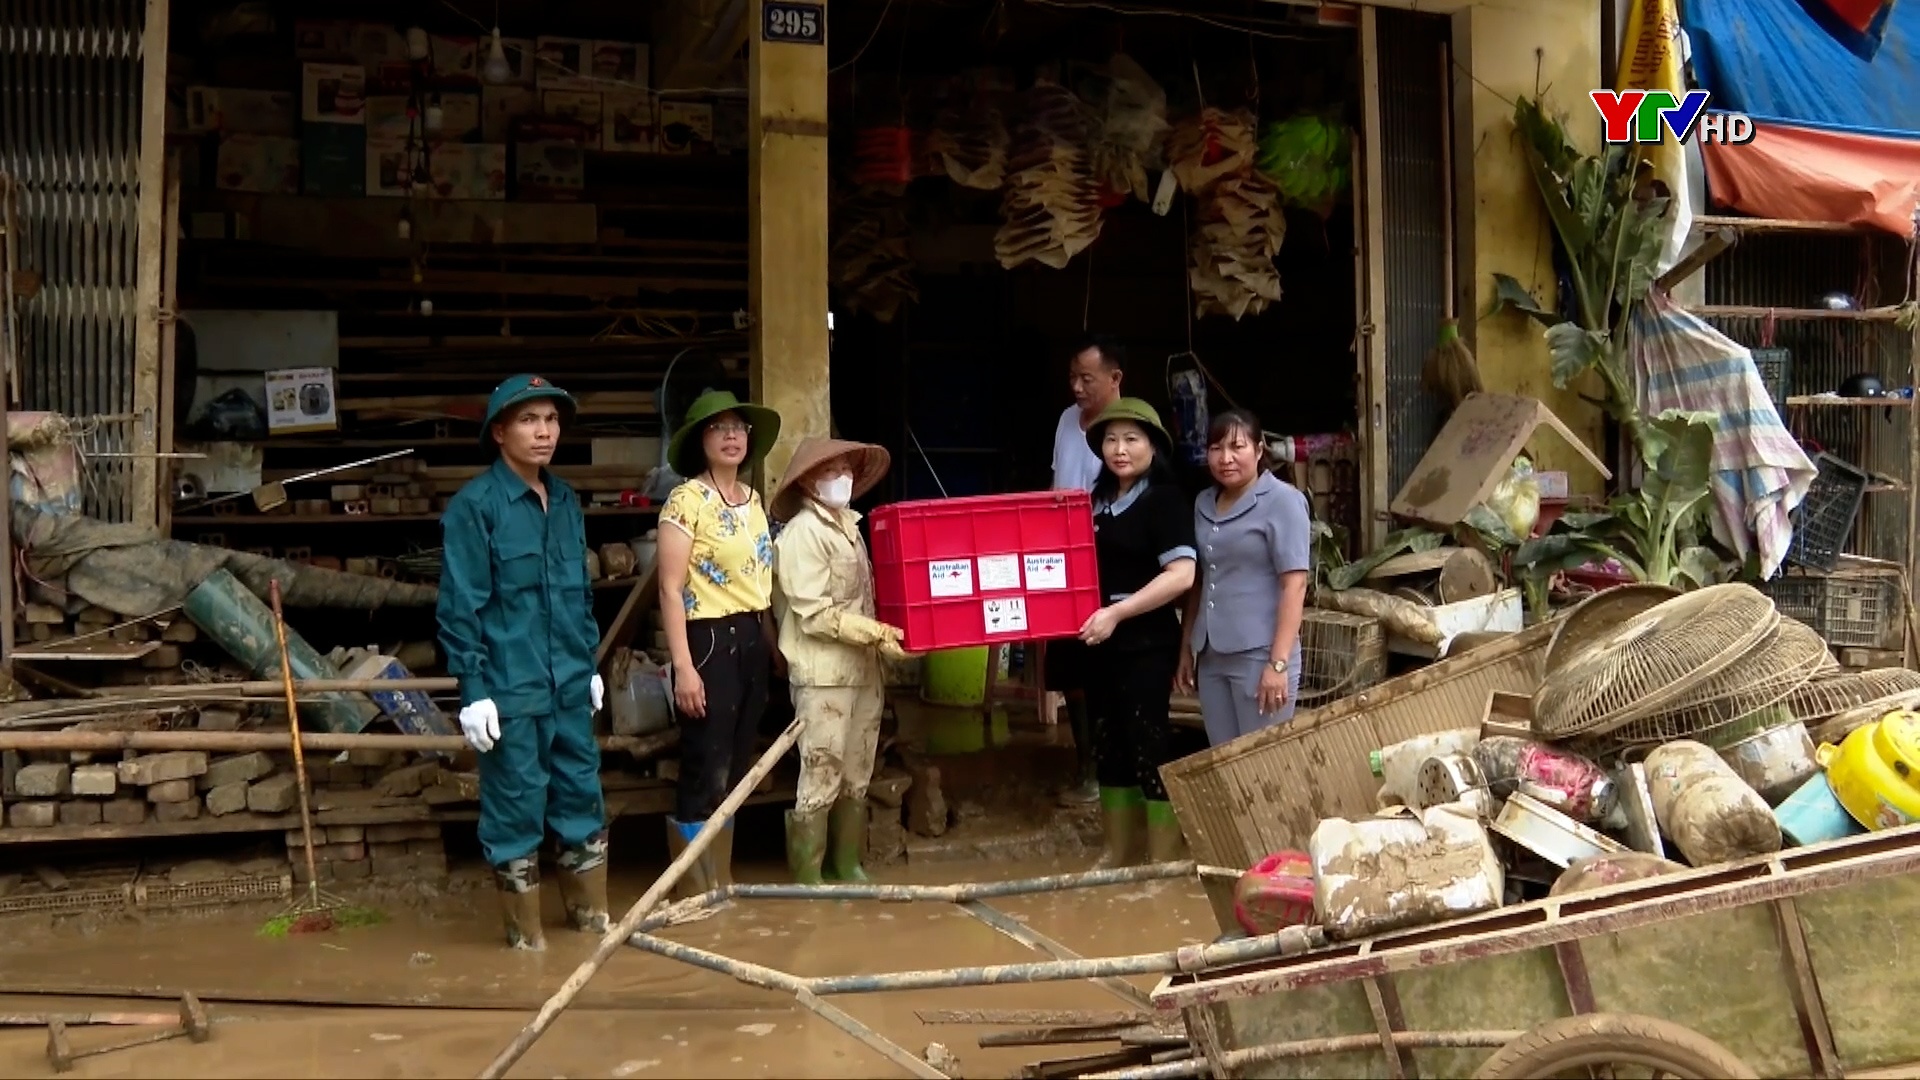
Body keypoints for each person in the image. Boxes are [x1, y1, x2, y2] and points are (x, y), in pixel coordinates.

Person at [438, 375, 608, 951]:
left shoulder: (564, 501)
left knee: (581, 798)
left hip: (566, 685)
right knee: (516, 810)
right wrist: (473, 689)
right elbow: (461, 605)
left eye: (552, 420)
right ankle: (527, 942)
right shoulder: (475, 507)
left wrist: (588, 664)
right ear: (499, 432)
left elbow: (578, 592)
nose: (544, 432)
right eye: (529, 420)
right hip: (510, 691)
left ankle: (591, 928)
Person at [769, 437, 911, 884]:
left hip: (864, 670)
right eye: (832, 472)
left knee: (857, 768)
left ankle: (846, 863)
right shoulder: (801, 534)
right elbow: (813, 614)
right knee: (821, 769)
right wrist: (876, 633)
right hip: (823, 673)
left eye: (848, 470)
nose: (843, 478)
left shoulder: (850, 526)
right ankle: (809, 876)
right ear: (809, 482)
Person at [657, 389, 781, 898]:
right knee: (705, 761)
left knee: (734, 760)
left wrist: (772, 646)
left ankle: (721, 880)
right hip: (707, 639)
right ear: (699, 441)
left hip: (752, 635)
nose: (731, 436)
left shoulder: (753, 501)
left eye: (738, 428)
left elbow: (760, 583)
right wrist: (683, 667)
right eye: (718, 428)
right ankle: (691, 887)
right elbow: (668, 587)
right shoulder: (686, 501)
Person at [1075, 399, 1197, 866]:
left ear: (1153, 446)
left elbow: (1181, 575)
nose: (1119, 449)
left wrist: (1118, 613)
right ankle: (1118, 852)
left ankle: (1163, 858)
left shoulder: (1164, 500)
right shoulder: (1095, 502)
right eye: (1110, 439)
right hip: (1098, 642)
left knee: (1149, 743)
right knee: (1110, 744)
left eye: (1131, 439)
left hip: (1145, 643)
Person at [1177, 409, 1312, 747]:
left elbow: (1294, 584)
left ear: (1259, 449)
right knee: (1224, 763)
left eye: (1237, 447)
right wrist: (1186, 649)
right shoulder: (1204, 502)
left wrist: (1277, 664)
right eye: (1216, 448)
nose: (1226, 458)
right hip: (1211, 656)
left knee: (1261, 766)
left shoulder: (1284, 501)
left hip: (1260, 655)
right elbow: (1199, 579)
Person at [1049, 335, 1126, 806]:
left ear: (1115, 379)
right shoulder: (1064, 421)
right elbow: (1057, 482)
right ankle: (1086, 767)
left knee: (1106, 668)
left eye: (1087, 378)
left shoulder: (1128, 427)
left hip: (1108, 562)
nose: (1076, 387)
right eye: (1072, 377)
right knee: (1070, 668)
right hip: (1061, 562)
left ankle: (1110, 771)